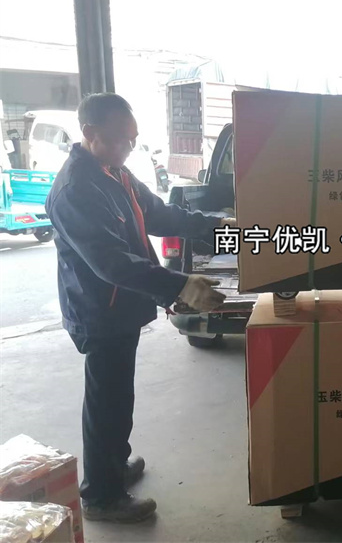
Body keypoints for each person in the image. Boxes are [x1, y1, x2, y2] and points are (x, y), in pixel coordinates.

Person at [45, 93, 231, 523]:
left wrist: (215, 224)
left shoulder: (115, 172)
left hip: (121, 307)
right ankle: (101, 495)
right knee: (106, 401)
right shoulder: (76, 190)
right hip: (98, 311)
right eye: (120, 139)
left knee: (118, 395)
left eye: (133, 138)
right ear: (89, 133)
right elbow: (110, 263)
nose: (129, 147)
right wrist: (180, 284)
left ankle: (114, 465)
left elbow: (160, 215)